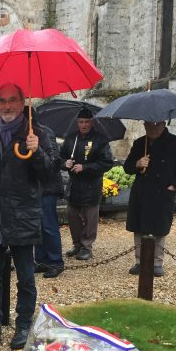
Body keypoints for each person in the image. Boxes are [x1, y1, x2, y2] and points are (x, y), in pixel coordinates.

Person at [0, 83, 57, 349]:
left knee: (26, 276)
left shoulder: (39, 133)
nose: (6, 106)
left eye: (12, 100)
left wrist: (37, 151)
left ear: (22, 103)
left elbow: (50, 174)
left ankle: (22, 325)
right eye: (1, 101)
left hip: (23, 215)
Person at [123, 120, 176, 277]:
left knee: (159, 228)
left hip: (162, 192)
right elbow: (127, 167)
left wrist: (174, 185)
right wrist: (138, 163)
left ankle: (156, 263)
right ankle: (140, 261)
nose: (153, 128)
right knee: (139, 226)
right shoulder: (140, 143)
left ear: (163, 124)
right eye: (149, 125)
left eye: (156, 125)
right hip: (142, 192)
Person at [62, 108, 114, 261]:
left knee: (90, 218)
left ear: (91, 122)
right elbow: (59, 157)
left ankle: (86, 246)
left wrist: (85, 167)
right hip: (74, 185)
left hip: (91, 185)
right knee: (73, 216)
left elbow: (107, 162)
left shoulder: (100, 140)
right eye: (80, 122)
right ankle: (77, 244)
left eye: (86, 122)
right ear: (77, 123)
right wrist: (65, 163)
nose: (83, 125)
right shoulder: (71, 139)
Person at [33, 121, 65, 278]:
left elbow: (54, 161)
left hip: (47, 187)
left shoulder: (45, 133)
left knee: (48, 226)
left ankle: (55, 261)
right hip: (35, 188)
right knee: (38, 226)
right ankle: (41, 260)